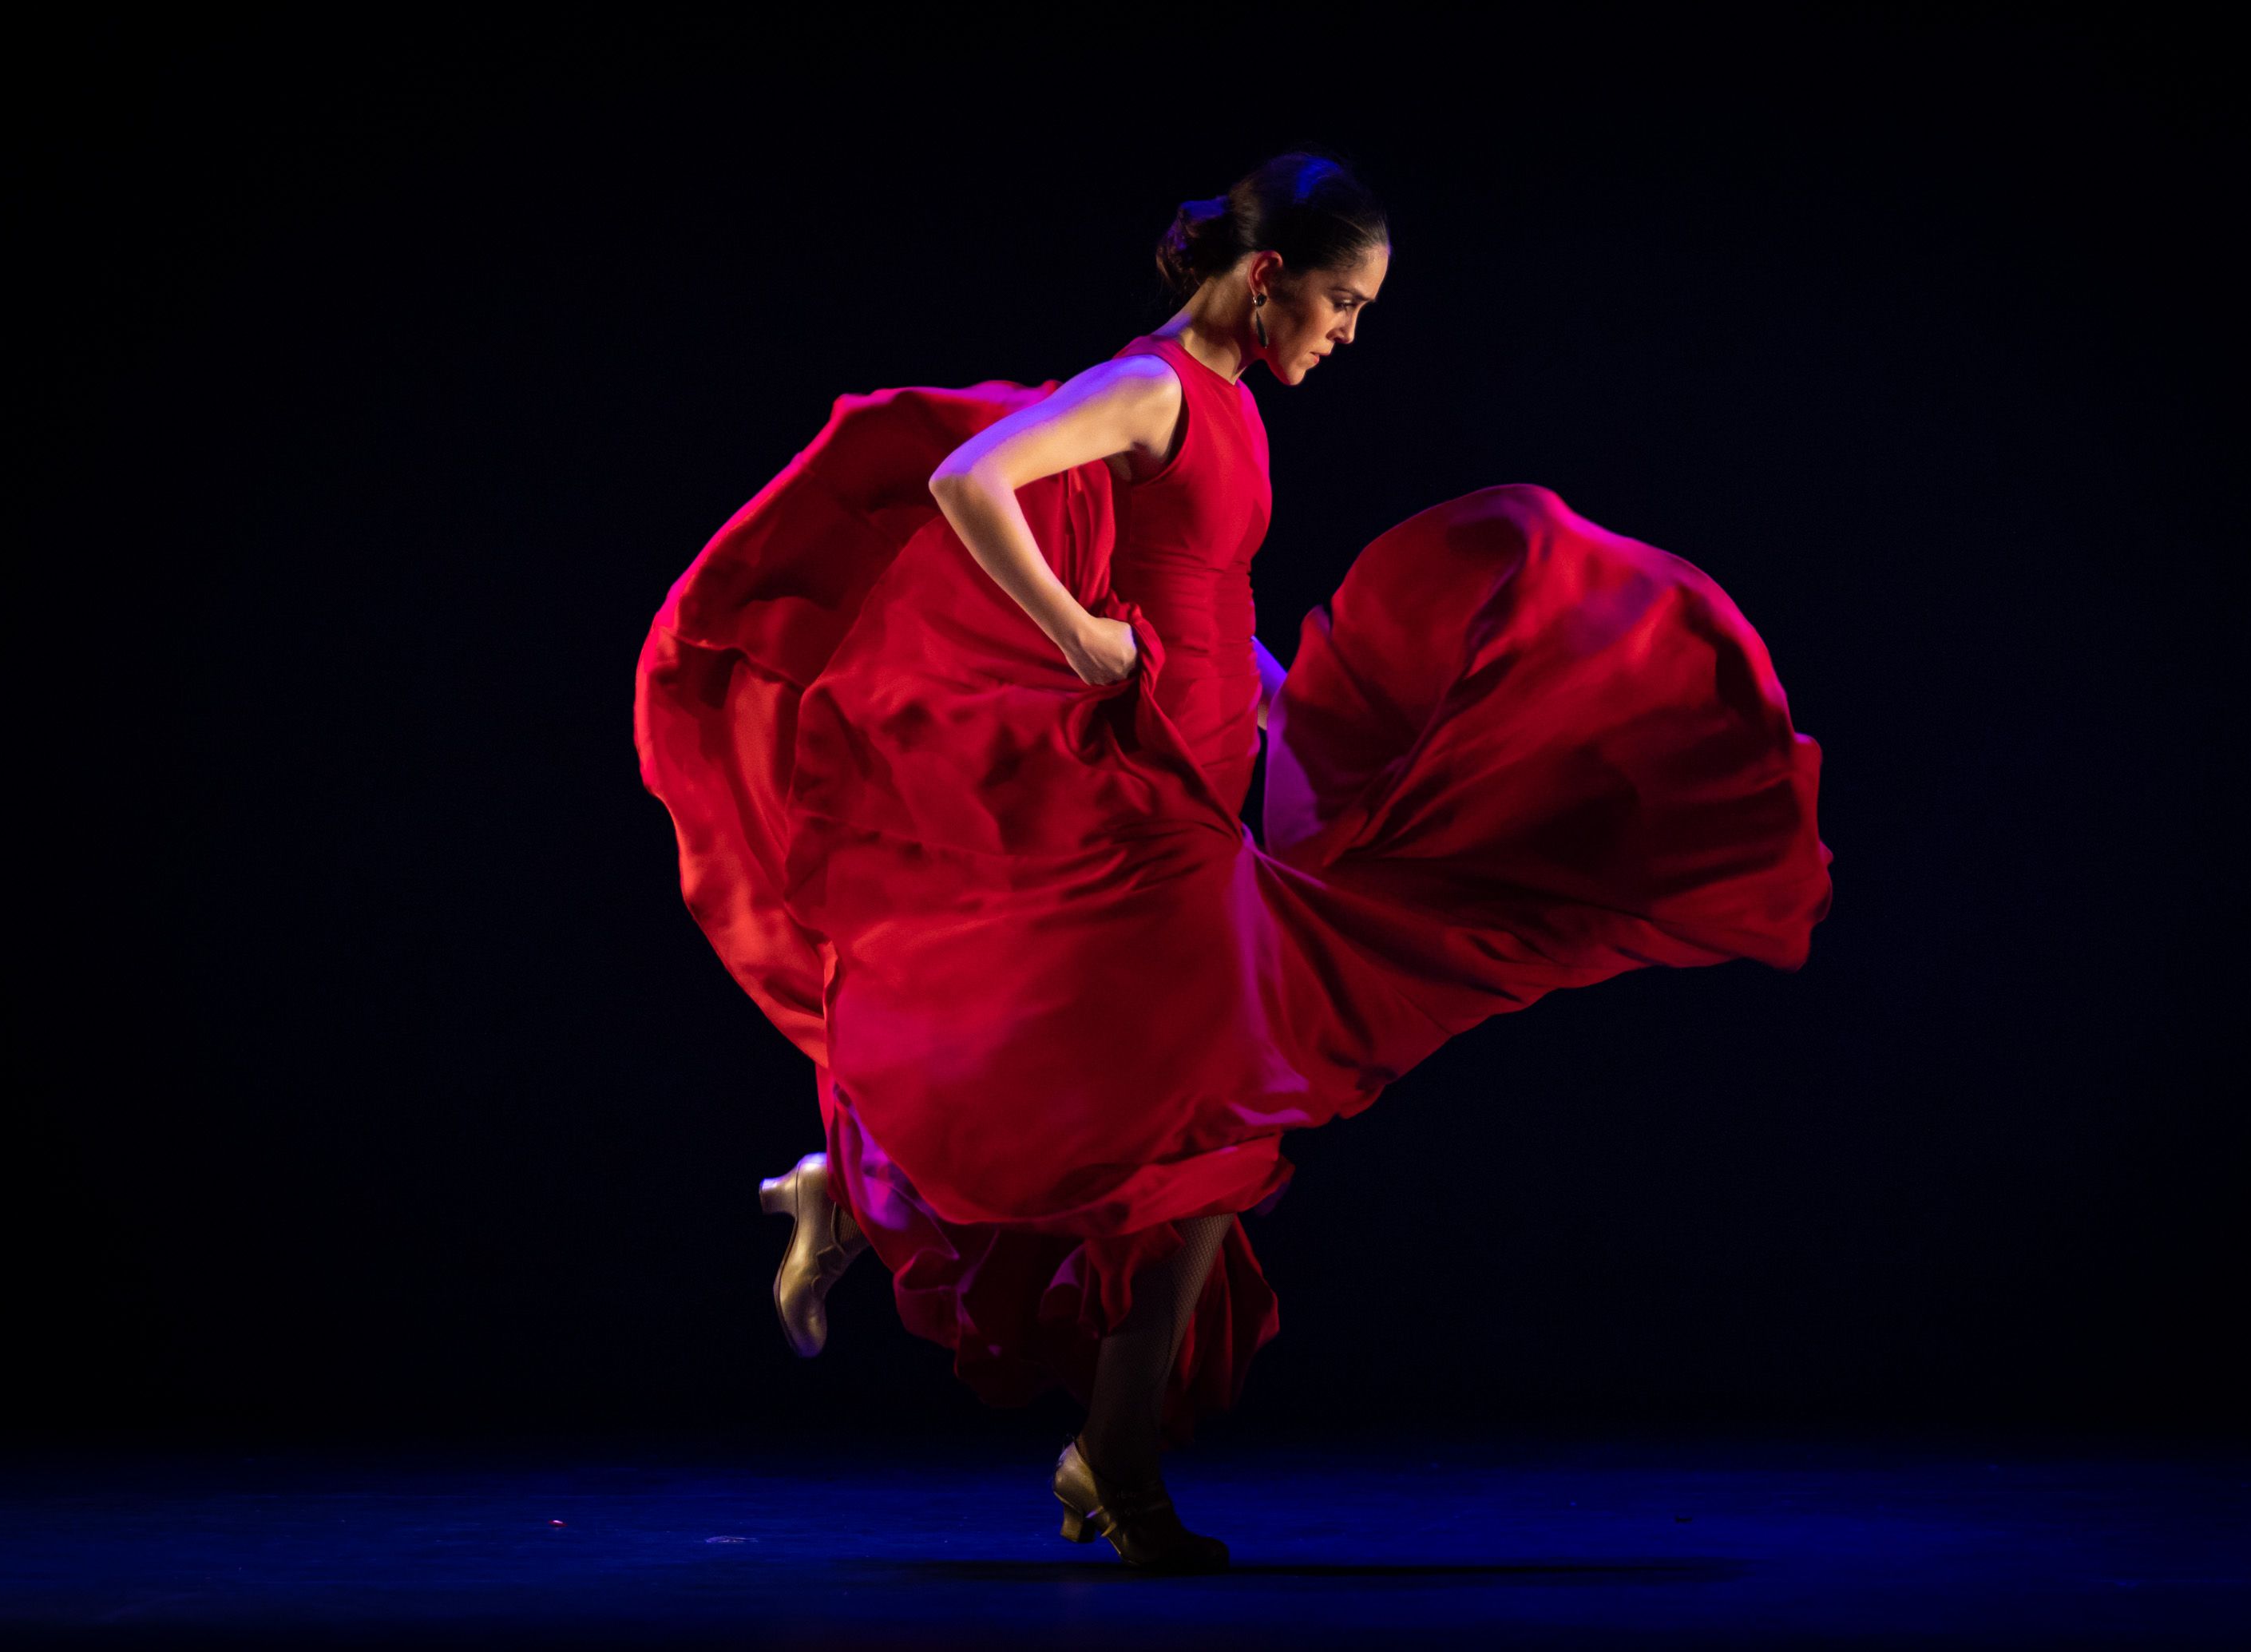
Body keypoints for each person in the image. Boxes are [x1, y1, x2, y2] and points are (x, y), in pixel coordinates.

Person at [635, 149, 1833, 1575]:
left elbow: (1203, 596)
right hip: (1143, 809)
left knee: (1134, 1108)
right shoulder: (1155, 388)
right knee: (1211, 1131)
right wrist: (1075, 639)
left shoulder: (1244, 416)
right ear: (1267, 276)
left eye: (1361, 310)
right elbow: (972, 477)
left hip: (1206, 794)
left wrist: (1285, 698)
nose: (1346, 331)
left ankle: (866, 1195)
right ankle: (1111, 1459)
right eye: (1338, 299)